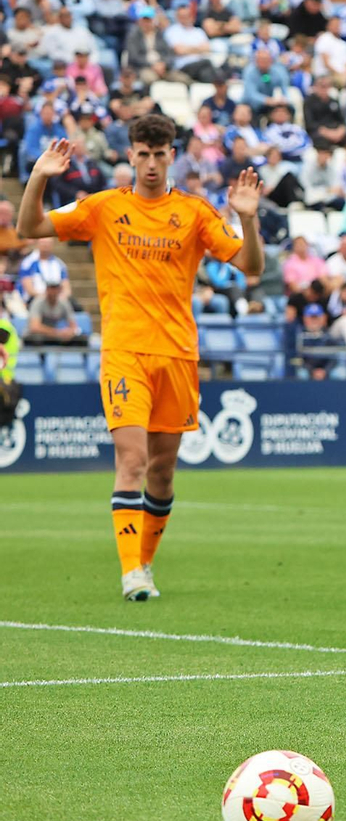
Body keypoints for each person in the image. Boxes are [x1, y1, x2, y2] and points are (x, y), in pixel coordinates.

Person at [16, 118, 263, 600]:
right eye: (143, 154)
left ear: (172, 155)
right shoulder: (104, 207)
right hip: (124, 352)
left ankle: (143, 564)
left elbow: (251, 267)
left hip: (177, 355)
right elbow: (29, 227)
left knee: (163, 472)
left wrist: (248, 220)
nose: (151, 163)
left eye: (160, 154)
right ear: (129, 156)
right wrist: (39, 177)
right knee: (131, 460)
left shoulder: (194, 213)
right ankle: (131, 573)